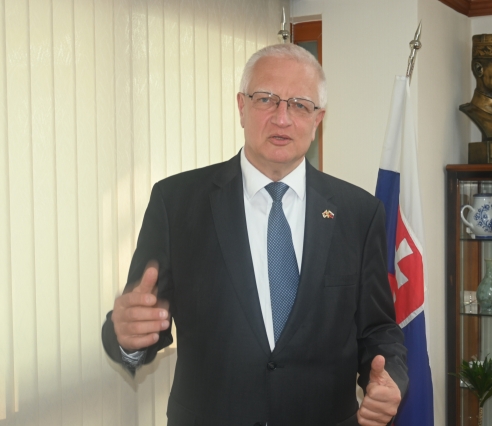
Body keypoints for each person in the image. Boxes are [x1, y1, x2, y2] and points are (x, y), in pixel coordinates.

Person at [102, 43, 408, 426]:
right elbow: (143, 317)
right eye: (266, 99)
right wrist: (128, 338)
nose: (282, 118)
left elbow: (378, 328)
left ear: (318, 119)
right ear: (241, 107)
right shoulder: (177, 202)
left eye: (299, 104)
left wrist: (390, 377)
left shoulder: (358, 212)